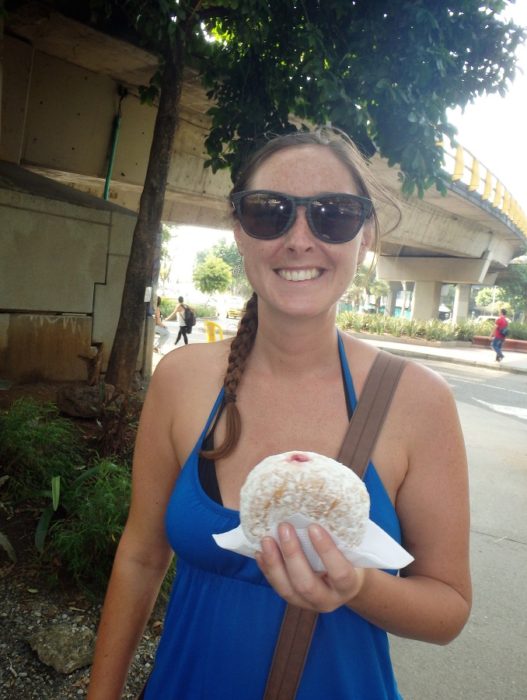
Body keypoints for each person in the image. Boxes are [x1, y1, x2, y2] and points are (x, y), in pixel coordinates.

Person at [87, 128, 471, 699]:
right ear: (238, 231)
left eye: (333, 216)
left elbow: (449, 608)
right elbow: (141, 558)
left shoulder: (417, 401)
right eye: (270, 213)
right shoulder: (182, 379)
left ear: (365, 237)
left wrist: (356, 587)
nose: (299, 239)